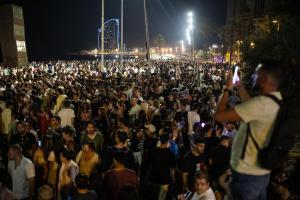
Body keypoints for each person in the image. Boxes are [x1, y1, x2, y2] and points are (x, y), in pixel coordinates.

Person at [214, 60, 284, 200]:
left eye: (255, 74)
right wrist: (239, 85)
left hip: (246, 175)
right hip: (259, 173)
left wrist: (227, 89)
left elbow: (218, 116)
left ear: (264, 79)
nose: (252, 77)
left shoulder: (261, 105)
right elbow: (250, 105)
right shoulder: (275, 101)